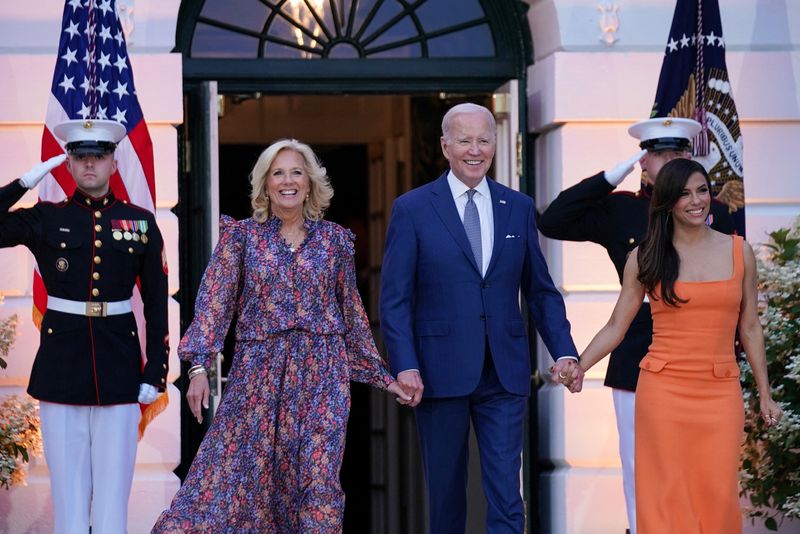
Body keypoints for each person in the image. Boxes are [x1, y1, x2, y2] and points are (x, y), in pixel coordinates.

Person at [152, 139, 409, 533]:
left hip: (323, 377)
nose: (287, 181)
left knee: (318, 481)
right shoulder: (241, 239)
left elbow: (353, 316)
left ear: (309, 183)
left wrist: (385, 378)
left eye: (296, 172)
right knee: (245, 484)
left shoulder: (335, 241)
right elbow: (213, 307)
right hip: (258, 378)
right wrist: (198, 368)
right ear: (265, 184)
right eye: (278, 173)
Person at [380, 103, 579, 534]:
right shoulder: (412, 208)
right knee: (447, 497)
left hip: (505, 373)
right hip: (438, 370)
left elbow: (540, 290)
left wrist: (564, 351)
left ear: (495, 144)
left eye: (484, 140)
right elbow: (395, 299)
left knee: (508, 496)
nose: (475, 150)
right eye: (465, 140)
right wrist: (405, 364)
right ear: (445, 145)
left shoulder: (518, 206)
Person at [537, 117, 735, 533]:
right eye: (659, 155)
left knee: (703, 471)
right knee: (639, 467)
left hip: (703, 362)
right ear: (644, 162)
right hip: (637, 357)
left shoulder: (714, 212)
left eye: (678, 154)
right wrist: (613, 174)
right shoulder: (622, 209)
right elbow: (553, 220)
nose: (670, 163)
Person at [574, 158, 782, 534]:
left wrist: (765, 393)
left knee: (717, 497)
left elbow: (749, 327)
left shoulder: (739, 251)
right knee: (667, 497)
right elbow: (616, 326)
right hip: (663, 393)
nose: (696, 200)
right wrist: (579, 365)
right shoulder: (646, 256)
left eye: (702, 190)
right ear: (667, 201)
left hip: (720, 391)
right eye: (684, 193)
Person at [0, 119, 169, 534]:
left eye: (99, 156)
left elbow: (157, 303)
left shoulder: (140, 222)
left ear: (114, 162)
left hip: (120, 369)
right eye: (80, 157)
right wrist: (25, 181)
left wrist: (156, 371)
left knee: (113, 502)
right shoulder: (45, 217)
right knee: (70, 501)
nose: (89, 164)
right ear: (70, 164)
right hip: (61, 368)